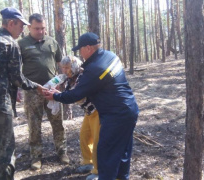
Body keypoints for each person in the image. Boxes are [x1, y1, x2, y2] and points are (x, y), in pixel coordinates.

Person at [42, 32, 139, 180]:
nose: (80, 53)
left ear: (88, 48)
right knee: (123, 151)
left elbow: (76, 95)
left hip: (115, 115)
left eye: (80, 49)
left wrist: (55, 96)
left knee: (106, 154)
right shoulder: (109, 56)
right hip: (130, 109)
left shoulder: (95, 68)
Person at [0, 7, 45, 180]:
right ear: (10, 23)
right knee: (6, 152)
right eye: (20, 25)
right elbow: (18, 78)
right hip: (0, 105)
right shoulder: (9, 43)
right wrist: (37, 86)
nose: (22, 29)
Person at [18, 13, 69, 170]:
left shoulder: (52, 42)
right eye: (37, 28)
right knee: (34, 125)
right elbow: (15, 69)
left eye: (43, 28)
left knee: (57, 122)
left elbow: (61, 63)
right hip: (32, 91)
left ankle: (62, 151)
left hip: (52, 89)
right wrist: (17, 88)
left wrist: (63, 82)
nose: (41, 31)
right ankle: (36, 156)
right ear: (29, 27)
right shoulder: (22, 44)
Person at [60, 56, 100, 180]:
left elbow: (77, 96)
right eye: (63, 68)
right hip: (88, 112)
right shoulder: (70, 79)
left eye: (67, 67)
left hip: (98, 111)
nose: (65, 70)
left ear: (74, 66)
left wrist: (58, 96)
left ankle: (99, 171)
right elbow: (69, 94)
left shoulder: (83, 77)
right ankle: (88, 162)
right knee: (84, 136)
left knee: (98, 141)